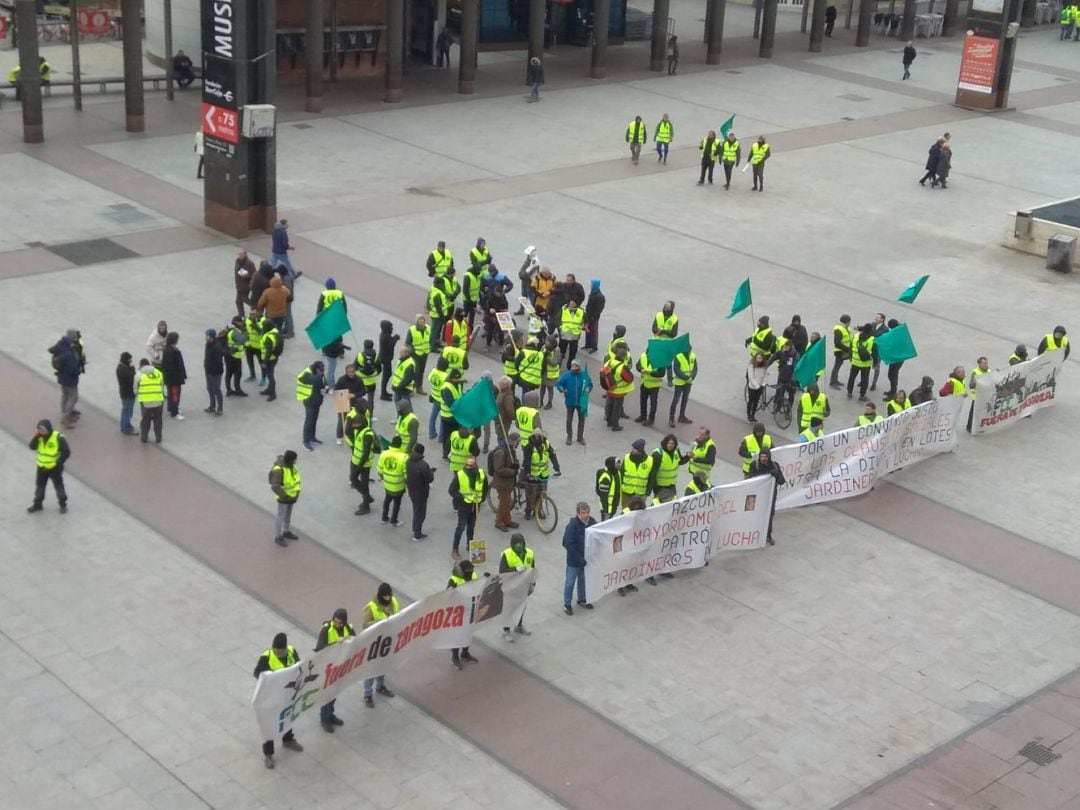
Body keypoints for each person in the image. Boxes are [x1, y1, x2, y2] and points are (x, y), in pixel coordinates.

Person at [253, 633, 304, 769]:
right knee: (269, 724)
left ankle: (288, 739)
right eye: (277, 650)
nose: (279, 653)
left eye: (281, 651)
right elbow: (257, 673)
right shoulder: (266, 657)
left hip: (288, 695)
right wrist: (271, 676)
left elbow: (299, 667)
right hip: (272, 697)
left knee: (288, 717)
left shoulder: (292, 652)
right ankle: (268, 754)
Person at [315, 609, 354, 730]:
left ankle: (330, 714)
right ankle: (324, 718)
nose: (337, 625)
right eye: (335, 622)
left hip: (341, 666)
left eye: (340, 623)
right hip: (328, 667)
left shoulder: (348, 628)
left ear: (344, 622)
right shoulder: (326, 630)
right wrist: (336, 643)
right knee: (327, 694)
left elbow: (355, 640)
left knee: (334, 693)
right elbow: (319, 647)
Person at [361, 585, 399, 706]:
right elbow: (365, 625)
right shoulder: (371, 607)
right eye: (385, 596)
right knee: (371, 669)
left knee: (382, 665)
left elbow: (398, 614)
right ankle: (367, 694)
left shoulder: (393, 601)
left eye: (389, 595)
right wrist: (380, 622)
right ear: (380, 596)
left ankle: (381, 686)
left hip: (387, 640)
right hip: (374, 642)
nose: (388, 598)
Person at [27, 419, 70, 514]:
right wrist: (36, 436)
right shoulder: (39, 437)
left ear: (48, 429)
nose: (41, 432)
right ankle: (37, 505)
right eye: (39, 429)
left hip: (54, 468)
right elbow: (32, 447)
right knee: (40, 487)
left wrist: (59, 463)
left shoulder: (58, 438)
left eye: (42, 430)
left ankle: (63, 504)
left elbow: (66, 452)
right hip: (41, 467)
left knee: (59, 487)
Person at [449, 456, 488, 560]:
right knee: (461, 527)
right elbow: (452, 490)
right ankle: (455, 549)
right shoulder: (460, 475)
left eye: (471, 465)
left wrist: (482, 498)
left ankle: (469, 544)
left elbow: (485, 488)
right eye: (467, 465)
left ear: (475, 465)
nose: (469, 467)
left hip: (476, 505)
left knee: (471, 527)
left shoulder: (481, 474)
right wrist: (461, 498)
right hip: (464, 506)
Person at [500, 533, 535, 641]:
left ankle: (518, 626)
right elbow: (502, 571)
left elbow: (533, 570)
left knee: (522, 607)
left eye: (521, 543)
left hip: (523, 586)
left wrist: (532, 584)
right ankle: (506, 630)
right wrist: (515, 569)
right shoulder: (506, 554)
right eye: (517, 544)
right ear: (512, 544)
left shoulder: (529, 553)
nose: (519, 546)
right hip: (511, 587)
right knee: (509, 608)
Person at [747, 448, 785, 545]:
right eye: (762, 456)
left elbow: (782, 481)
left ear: (769, 457)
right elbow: (750, 479)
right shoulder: (754, 465)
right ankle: (752, 534)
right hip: (757, 495)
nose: (763, 459)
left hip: (770, 495)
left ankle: (767, 535)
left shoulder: (775, 466)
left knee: (769, 515)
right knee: (754, 514)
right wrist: (765, 474)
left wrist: (776, 475)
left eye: (765, 457)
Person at [447, 561, 482, 668]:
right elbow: (448, 595)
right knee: (457, 636)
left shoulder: (474, 575)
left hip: (471, 610)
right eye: (468, 570)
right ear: (462, 571)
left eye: (471, 569)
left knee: (468, 633)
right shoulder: (454, 580)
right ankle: (455, 657)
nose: (471, 572)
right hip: (459, 613)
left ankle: (465, 653)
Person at [563, 502, 595, 614]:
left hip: (586, 559)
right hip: (574, 561)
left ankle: (582, 599)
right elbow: (568, 544)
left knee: (583, 580)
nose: (586, 515)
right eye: (583, 512)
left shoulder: (592, 522)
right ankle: (567, 604)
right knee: (570, 582)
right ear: (578, 513)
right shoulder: (572, 526)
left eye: (587, 512)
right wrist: (579, 559)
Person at [523, 431, 560, 519]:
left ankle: (538, 511)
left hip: (543, 474)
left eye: (539, 437)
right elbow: (526, 461)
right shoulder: (529, 446)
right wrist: (528, 473)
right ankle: (528, 511)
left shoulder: (546, 444)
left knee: (541, 494)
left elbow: (552, 455)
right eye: (535, 437)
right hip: (533, 474)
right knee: (531, 494)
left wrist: (557, 468)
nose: (537, 438)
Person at [49, 330, 82, 429]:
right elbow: (73, 370)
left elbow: (51, 350)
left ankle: (65, 413)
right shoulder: (69, 354)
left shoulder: (61, 344)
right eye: (75, 338)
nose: (76, 340)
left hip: (62, 376)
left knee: (65, 395)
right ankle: (65, 417)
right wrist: (78, 371)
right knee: (73, 397)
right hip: (70, 379)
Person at [346, 412, 376, 516]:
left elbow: (366, 453)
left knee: (362, 482)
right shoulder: (357, 431)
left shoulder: (367, 434)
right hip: (356, 460)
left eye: (356, 424)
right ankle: (367, 497)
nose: (354, 426)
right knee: (354, 480)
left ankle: (366, 504)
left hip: (364, 463)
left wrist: (359, 467)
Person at [556, 359, 592, 446]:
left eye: (576, 366)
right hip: (570, 401)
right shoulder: (566, 375)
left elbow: (590, 384)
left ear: (579, 367)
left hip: (581, 402)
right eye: (572, 366)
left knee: (582, 420)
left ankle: (580, 437)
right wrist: (562, 389)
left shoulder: (584, 376)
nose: (573, 368)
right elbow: (559, 384)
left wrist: (589, 388)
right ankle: (569, 436)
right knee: (569, 420)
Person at [269, 450, 301, 547]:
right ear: (291, 460)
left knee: (288, 514)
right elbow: (275, 486)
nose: (296, 461)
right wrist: (285, 495)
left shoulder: (292, 466)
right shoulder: (279, 470)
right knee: (281, 515)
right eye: (295, 459)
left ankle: (286, 531)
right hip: (284, 497)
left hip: (291, 496)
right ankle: (278, 536)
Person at [490, 432, 520, 531]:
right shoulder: (501, 452)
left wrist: (516, 464)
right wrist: (512, 471)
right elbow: (499, 469)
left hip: (508, 482)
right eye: (517, 442)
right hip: (502, 483)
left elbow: (513, 461)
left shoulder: (511, 450)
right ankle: (499, 521)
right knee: (504, 503)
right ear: (512, 441)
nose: (518, 444)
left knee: (507, 502)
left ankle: (507, 520)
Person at [377, 436, 409, 526]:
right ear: (400, 445)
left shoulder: (384, 454)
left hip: (387, 483)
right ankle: (394, 520)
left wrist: (383, 477)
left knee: (387, 500)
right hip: (398, 485)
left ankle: (384, 517)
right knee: (397, 503)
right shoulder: (404, 457)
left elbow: (379, 469)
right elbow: (406, 473)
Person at [603, 345, 635, 431]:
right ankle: (615, 425)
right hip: (619, 392)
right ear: (624, 357)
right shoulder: (622, 367)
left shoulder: (609, 362)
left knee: (609, 405)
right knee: (617, 408)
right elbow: (629, 379)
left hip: (609, 389)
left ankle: (608, 421)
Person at [297, 360, 328, 450]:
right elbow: (314, 380)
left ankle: (312, 437)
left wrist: (326, 386)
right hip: (309, 401)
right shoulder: (306, 374)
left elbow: (323, 381)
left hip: (317, 400)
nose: (322, 372)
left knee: (314, 419)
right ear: (316, 369)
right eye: (320, 370)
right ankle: (305, 441)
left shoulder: (320, 373)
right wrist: (319, 376)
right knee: (309, 421)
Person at [136, 359, 166, 443]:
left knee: (145, 419)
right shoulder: (158, 373)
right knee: (158, 419)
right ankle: (158, 437)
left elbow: (135, 389)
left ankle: (144, 437)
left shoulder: (139, 374)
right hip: (158, 400)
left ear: (141, 365)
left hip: (145, 402)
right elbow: (162, 385)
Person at [652, 434, 687, 504]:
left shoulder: (676, 451)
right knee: (658, 504)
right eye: (668, 443)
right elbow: (653, 472)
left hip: (671, 485)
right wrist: (655, 488)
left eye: (672, 444)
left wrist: (687, 457)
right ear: (665, 443)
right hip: (660, 486)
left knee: (673, 504)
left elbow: (680, 461)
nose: (670, 445)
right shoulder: (658, 454)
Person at [620, 438, 654, 507]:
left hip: (640, 494)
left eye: (635, 448)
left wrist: (647, 494)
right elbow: (621, 474)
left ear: (640, 450)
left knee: (638, 514)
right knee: (626, 513)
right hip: (626, 493)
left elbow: (651, 478)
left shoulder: (649, 461)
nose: (632, 450)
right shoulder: (626, 458)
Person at [846, 324, 876, 401]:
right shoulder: (872, 339)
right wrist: (875, 363)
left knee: (852, 377)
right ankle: (862, 395)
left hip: (855, 361)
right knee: (864, 379)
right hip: (865, 364)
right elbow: (875, 353)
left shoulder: (856, 336)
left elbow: (850, 347)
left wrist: (850, 357)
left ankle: (849, 392)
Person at [670, 344, 697, 427]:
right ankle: (671, 418)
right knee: (676, 400)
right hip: (680, 383)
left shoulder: (693, 356)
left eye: (690, 350)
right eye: (688, 350)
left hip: (688, 382)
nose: (689, 352)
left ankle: (682, 416)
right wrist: (686, 377)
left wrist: (692, 376)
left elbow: (695, 368)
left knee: (685, 400)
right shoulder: (678, 357)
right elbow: (676, 370)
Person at [259, 317, 284, 402]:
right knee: (270, 375)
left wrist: (264, 363)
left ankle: (273, 394)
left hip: (269, 359)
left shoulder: (268, 337)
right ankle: (269, 389)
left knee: (270, 376)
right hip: (274, 357)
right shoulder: (276, 332)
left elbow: (268, 351)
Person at [203, 329, 226, 416]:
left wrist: (213, 372)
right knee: (209, 388)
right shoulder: (207, 344)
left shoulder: (217, 347)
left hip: (215, 372)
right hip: (208, 370)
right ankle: (212, 406)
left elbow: (218, 362)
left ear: (211, 337)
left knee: (216, 390)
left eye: (207, 335)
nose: (206, 337)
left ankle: (220, 408)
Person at [225, 317, 248, 397]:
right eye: (241, 322)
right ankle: (237, 390)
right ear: (237, 322)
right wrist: (246, 332)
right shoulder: (234, 332)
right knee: (237, 373)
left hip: (230, 355)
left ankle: (229, 390)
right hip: (234, 356)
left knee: (229, 373)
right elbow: (241, 340)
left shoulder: (231, 329)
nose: (242, 323)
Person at [377, 320, 400, 401]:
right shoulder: (385, 336)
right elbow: (391, 345)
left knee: (388, 374)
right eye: (391, 327)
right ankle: (383, 393)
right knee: (386, 375)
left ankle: (384, 391)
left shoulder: (385, 334)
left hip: (386, 357)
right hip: (385, 358)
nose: (392, 329)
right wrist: (395, 338)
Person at [558, 299, 585, 367]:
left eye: (574, 301)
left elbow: (586, 320)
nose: (572, 303)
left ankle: (569, 366)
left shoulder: (581, 311)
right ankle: (558, 365)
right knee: (561, 352)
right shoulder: (564, 309)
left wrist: (584, 326)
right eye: (571, 301)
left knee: (572, 354)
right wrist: (560, 326)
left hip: (574, 336)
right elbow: (557, 319)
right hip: (564, 335)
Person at [829, 314, 852, 389]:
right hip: (840, 351)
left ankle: (835, 380)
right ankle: (833, 382)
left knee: (838, 365)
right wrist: (846, 349)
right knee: (837, 366)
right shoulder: (839, 329)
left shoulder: (844, 328)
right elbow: (837, 342)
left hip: (844, 350)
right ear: (847, 322)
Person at [116, 352, 137, 435]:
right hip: (127, 393)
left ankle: (126, 425)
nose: (131, 361)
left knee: (128, 410)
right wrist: (132, 369)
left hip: (127, 392)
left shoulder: (122, 367)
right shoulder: (122, 369)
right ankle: (126, 427)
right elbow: (131, 378)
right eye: (129, 360)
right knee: (127, 410)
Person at [595, 457, 621, 521]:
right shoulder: (605, 477)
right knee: (605, 525)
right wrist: (606, 511)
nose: (619, 465)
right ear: (612, 465)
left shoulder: (617, 473)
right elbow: (603, 496)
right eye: (617, 463)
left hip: (613, 506)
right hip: (606, 509)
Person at [584, 280, 605, 354]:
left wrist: (594, 317)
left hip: (594, 318)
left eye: (592, 285)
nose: (590, 286)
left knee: (593, 332)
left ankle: (594, 347)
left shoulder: (600, 296)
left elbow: (599, 309)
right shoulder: (593, 293)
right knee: (587, 330)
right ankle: (588, 345)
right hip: (588, 316)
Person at [746, 352, 768, 422]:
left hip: (760, 387)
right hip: (752, 387)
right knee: (751, 401)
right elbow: (751, 377)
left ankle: (753, 415)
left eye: (760, 358)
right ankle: (749, 415)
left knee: (756, 402)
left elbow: (765, 376)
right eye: (757, 358)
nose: (759, 359)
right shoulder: (751, 365)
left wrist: (763, 384)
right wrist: (757, 386)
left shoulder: (764, 366)